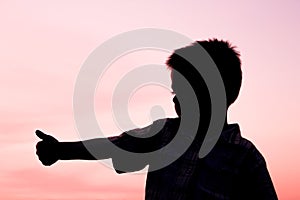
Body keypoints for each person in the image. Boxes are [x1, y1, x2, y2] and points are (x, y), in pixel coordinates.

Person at [36, 39, 278, 199]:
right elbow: (114, 144)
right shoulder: (165, 133)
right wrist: (60, 150)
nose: (175, 100)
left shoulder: (245, 158)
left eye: (183, 92)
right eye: (175, 92)